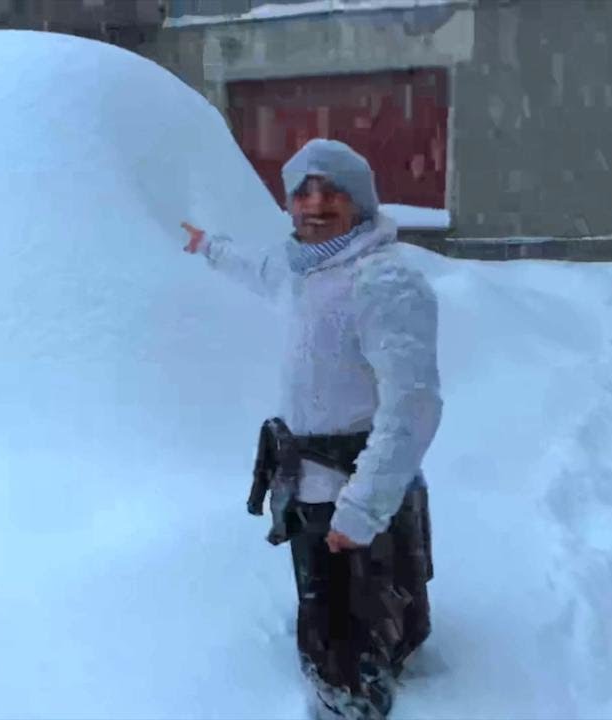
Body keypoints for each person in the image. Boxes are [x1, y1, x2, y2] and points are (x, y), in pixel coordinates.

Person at [181, 139, 442, 719]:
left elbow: (413, 409)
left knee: (351, 634)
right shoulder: (302, 267)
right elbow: (255, 267)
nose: (315, 203)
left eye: (331, 190)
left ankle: (352, 703)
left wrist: (363, 509)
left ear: (362, 202)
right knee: (329, 610)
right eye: (302, 191)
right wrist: (207, 247)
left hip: (352, 491)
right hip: (308, 486)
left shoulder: (383, 283)